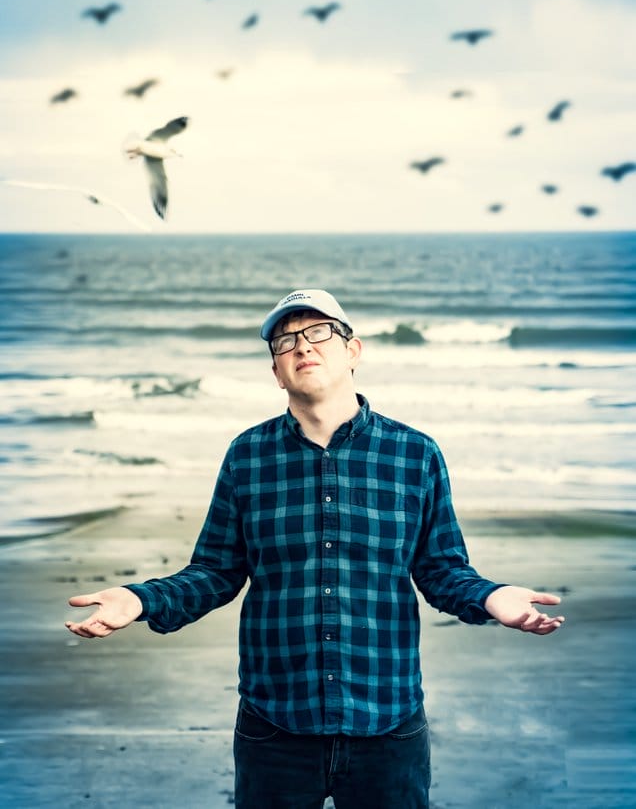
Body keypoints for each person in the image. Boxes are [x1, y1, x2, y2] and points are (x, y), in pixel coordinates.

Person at [66, 289, 565, 809]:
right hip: (274, 726)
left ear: (353, 351)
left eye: (319, 332)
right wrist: (140, 600)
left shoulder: (415, 454)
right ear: (277, 372)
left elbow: (441, 570)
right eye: (286, 341)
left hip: (387, 723)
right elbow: (215, 571)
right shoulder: (247, 455)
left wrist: (492, 597)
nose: (303, 346)